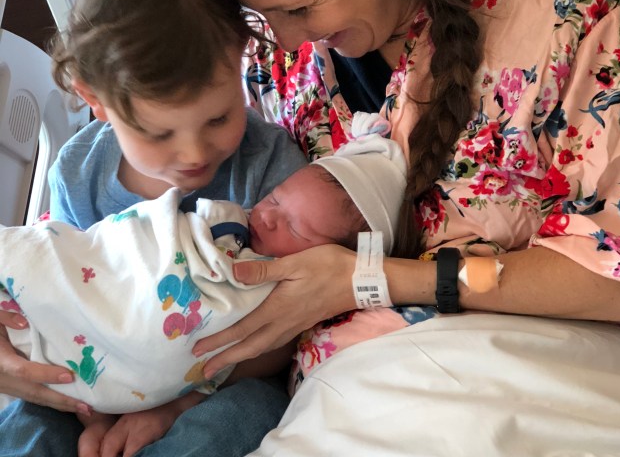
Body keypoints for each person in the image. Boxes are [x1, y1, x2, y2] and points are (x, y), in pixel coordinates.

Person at [188, 0, 620, 386]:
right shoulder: (268, 68)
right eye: (261, 16)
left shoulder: (575, 17)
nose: (286, 39)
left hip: (527, 383)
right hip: (328, 405)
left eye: (298, 8)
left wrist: (372, 280)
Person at [0, 0, 309, 457]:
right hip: (93, 380)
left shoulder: (269, 171)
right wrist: (95, 408)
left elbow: (284, 328)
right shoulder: (79, 174)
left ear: (240, 58)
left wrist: (171, 409)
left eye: (218, 118)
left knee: (255, 414)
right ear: (95, 100)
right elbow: (57, 299)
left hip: (221, 382)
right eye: (159, 132)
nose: (193, 153)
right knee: (34, 415)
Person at [1, 115, 406, 415]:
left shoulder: (268, 161)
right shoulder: (77, 170)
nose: (266, 216)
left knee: (249, 411)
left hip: (134, 378)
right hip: (72, 303)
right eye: (275, 199)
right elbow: (95, 256)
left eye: (295, 229)